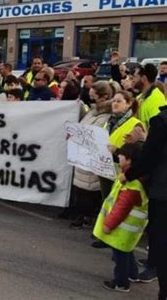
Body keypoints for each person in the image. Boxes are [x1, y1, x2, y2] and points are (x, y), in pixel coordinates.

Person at [121, 106, 167, 297]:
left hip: (163, 190)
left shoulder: (162, 120)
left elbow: (150, 155)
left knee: (162, 240)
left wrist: (130, 174)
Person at [93, 143, 147, 293]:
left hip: (122, 228)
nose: (118, 158)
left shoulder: (132, 184)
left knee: (120, 256)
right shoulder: (132, 176)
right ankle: (132, 274)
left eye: (121, 156)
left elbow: (121, 208)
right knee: (127, 251)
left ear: (129, 160)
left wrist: (108, 224)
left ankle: (121, 282)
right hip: (128, 231)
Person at [71, 81, 113, 229]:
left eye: (94, 93)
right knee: (81, 188)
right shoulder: (93, 111)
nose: (91, 95)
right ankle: (81, 214)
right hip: (82, 155)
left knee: (90, 189)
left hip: (92, 157)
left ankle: (88, 216)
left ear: (104, 96)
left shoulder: (107, 115)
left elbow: (97, 133)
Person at [134, 64, 166, 130]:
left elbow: (159, 129)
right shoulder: (139, 97)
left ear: (143, 79)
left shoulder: (156, 100)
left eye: (135, 77)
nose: (133, 80)